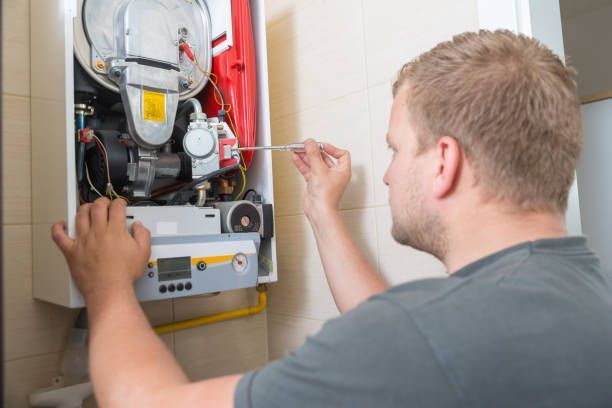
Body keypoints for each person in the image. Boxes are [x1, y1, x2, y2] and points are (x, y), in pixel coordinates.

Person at [51, 30, 612, 407]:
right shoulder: (580, 289)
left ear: (444, 162)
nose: (388, 175)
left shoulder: (421, 339)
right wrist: (322, 208)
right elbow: (400, 329)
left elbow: (148, 404)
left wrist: (105, 286)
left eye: (396, 150)